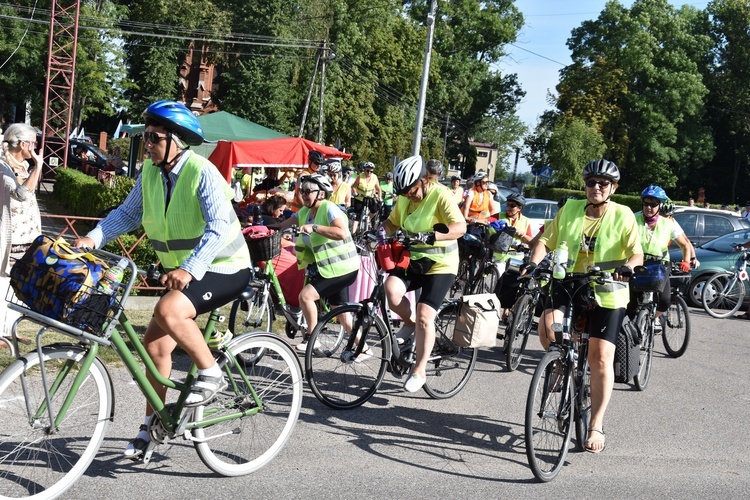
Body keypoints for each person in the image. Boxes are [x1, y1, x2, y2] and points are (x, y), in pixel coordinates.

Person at [72, 100, 252, 458]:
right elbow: (127, 214)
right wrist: (93, 238)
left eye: (154, 137)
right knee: (155, 348)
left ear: (176, 141)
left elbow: (218, 227)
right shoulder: (151, 174)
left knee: (169, 311)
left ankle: (211, 372)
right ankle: (151, 427)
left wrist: (189, 268)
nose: (148, 144)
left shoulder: (202, 171)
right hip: (185, 273)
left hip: (224, 266)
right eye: (147, 137)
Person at [524, 158, 643, 453]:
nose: (596, 188)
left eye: (603, 183)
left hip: (608, 289)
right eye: (591, 182)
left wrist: (627, 268)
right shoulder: (571, 209)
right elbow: (546, 241)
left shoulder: (623, 214)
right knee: (548, 326)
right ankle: (561, 364)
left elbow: (636, 254)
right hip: (571, 282)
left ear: (613, 188)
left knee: (600, 356)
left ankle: (596, 423)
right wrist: (532, 263)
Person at [383, 155, 466, 392]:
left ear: (423, 180)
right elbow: (392, 222)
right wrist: (378, 232)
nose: (410, 196)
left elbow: (460, 227)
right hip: (415, 259)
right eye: (405, 193)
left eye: (412, 191)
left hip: (442, 263)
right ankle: (409, 324)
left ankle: (419, 370)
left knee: (424, 314)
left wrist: (434, 235)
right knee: (391, 290)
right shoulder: (404, 198)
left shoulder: (441, 195)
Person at [274, 173, 358, 352]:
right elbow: (284, 224)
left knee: (306, 296)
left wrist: (314, 228)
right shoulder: (305, 212)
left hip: (342, 268)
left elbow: (341, 232)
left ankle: (312, 338)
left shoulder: (329, 208)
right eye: (301, 191)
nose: (303, 194)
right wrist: (267, 228)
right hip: (329, 268)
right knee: (341, 313)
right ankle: (363, 347)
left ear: (321, 193)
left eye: (308, 191)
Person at [632, 185, 698, 329]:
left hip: (659, 265)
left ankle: (652, 319)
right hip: (638, 262)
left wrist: (686, 261)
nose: (649, 207)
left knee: (665, 300)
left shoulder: (668, 224)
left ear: (659, 205)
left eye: (653, 204)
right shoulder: (632, 219)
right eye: (646, 204)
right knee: (631, 303)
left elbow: (685, 244)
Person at [1, 123, 43, 336]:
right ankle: (3, 332)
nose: (36, 147)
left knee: (18, 283)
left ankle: (10, 330)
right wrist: (38, 166)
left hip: (27, 236)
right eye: (34, 143)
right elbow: (21, 195)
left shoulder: (22, 166)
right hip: (11, 237)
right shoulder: (3, 166)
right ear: (23, 144)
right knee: (6, 283)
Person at [493, 192, 533, 322]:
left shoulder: (526, 221)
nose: (509, 207)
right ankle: (494, 310)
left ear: (520, 208)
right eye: (508, 204)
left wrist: (521, 235)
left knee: (512, 285)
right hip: (500, 256)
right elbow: (487, 221)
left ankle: (506, 310)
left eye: (512, 205)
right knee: (498, 282)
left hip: (516, 258)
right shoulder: (499, 216)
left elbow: (531, 241)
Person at [351, 161, 382, 231]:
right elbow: (353, 187)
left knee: (374, 210)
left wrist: (379, 197)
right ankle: (353, 233)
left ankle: (368, 220)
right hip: (360, 197)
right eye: (367, 171)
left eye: (371, 171)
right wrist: (355, 193)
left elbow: (379, 189)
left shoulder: (374, 177)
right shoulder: (360, 176)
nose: (369, 173)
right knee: (357, 216)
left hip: (369, 197)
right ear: (364, 170)